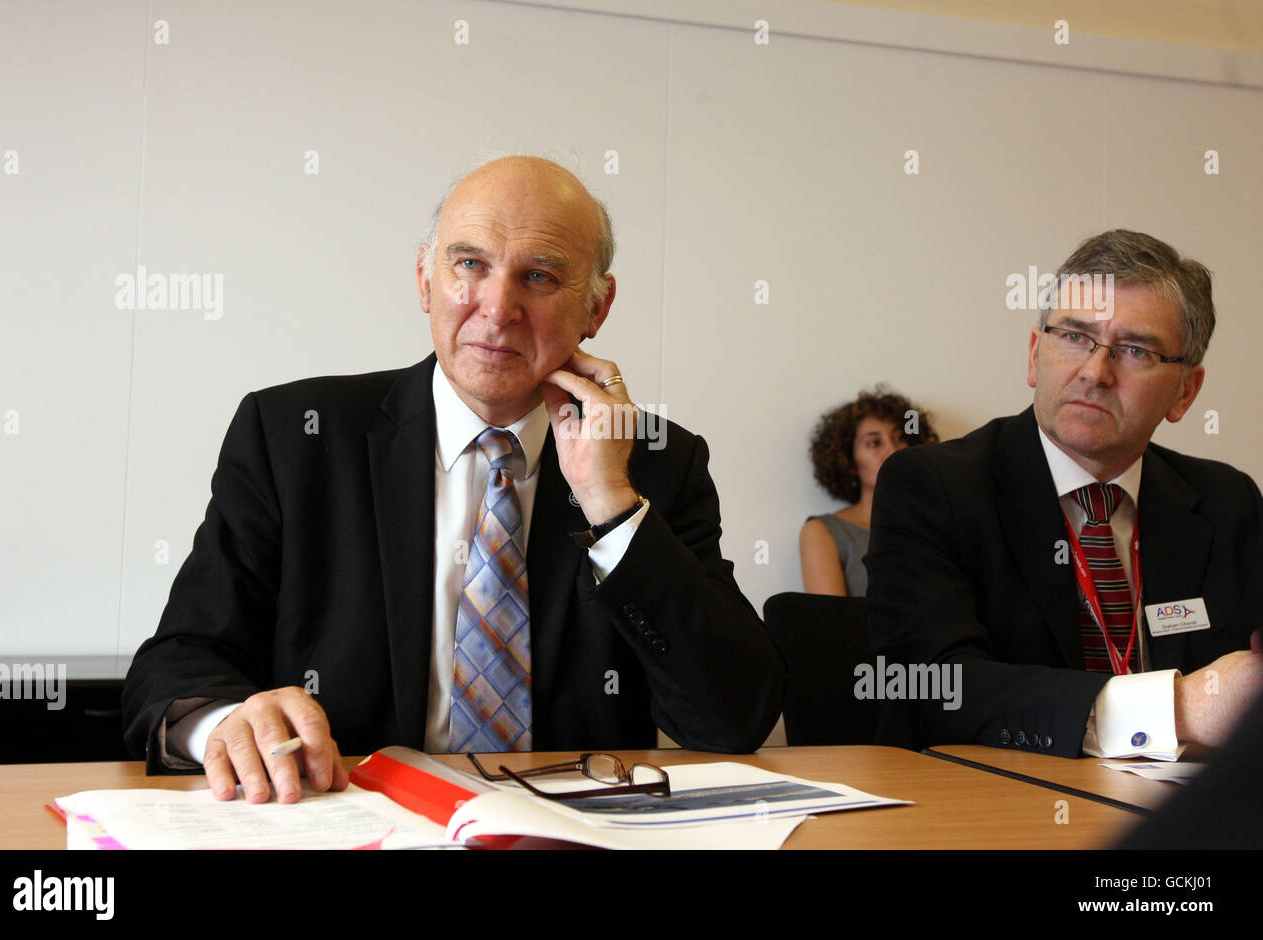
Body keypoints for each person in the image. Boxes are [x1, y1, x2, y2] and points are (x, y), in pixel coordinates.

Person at [122, 155, 785, 803]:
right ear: (424, 279)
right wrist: (229, 725)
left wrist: (611, 505)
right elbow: (173, 666)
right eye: (470, 264)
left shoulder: (659, 463)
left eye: (541, 276)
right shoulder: (294, 436)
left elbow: (732, 719)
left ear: (597, 308)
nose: (498, 308)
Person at [867, 229, 1263, 759]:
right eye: (1075, 337)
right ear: (1035, 355)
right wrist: (1177, 707)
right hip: (998, 811)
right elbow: (933, 687)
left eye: (1135, 350)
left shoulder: (1225, 501)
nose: (1095, 373)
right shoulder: (933, 486)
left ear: (1185, 392)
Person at [800, 388, 937, 596]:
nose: (893, 450)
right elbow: (829, 623)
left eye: (899, 438)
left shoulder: (937, 521)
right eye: (874, 442)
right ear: (849, 462)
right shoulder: (824, 532)